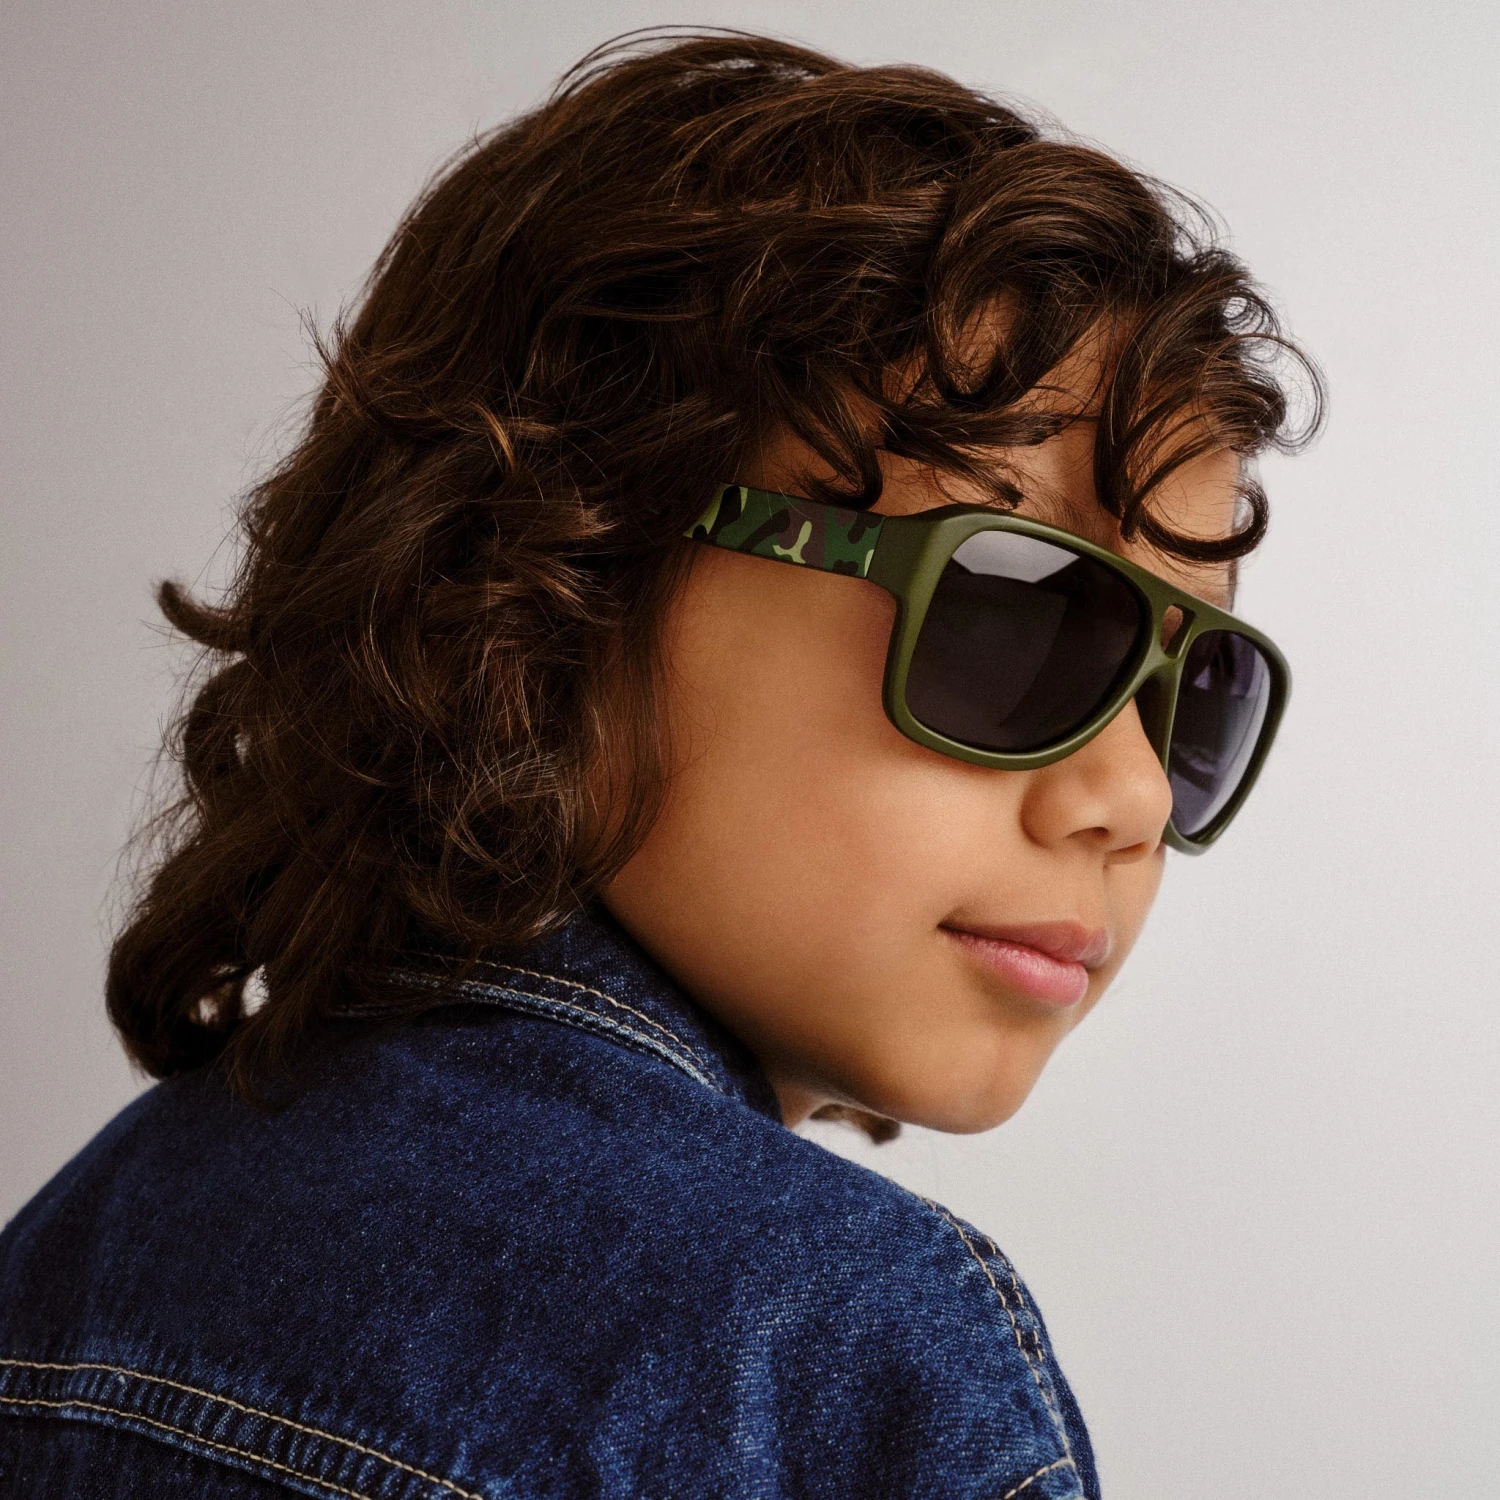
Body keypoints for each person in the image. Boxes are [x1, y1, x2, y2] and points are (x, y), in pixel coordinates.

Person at [0, 31, 1320, 1499]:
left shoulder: (76, 1248)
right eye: (1014, 614)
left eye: (1194, 691)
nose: (1132, 797)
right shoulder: (839, 1371)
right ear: (555, 579)